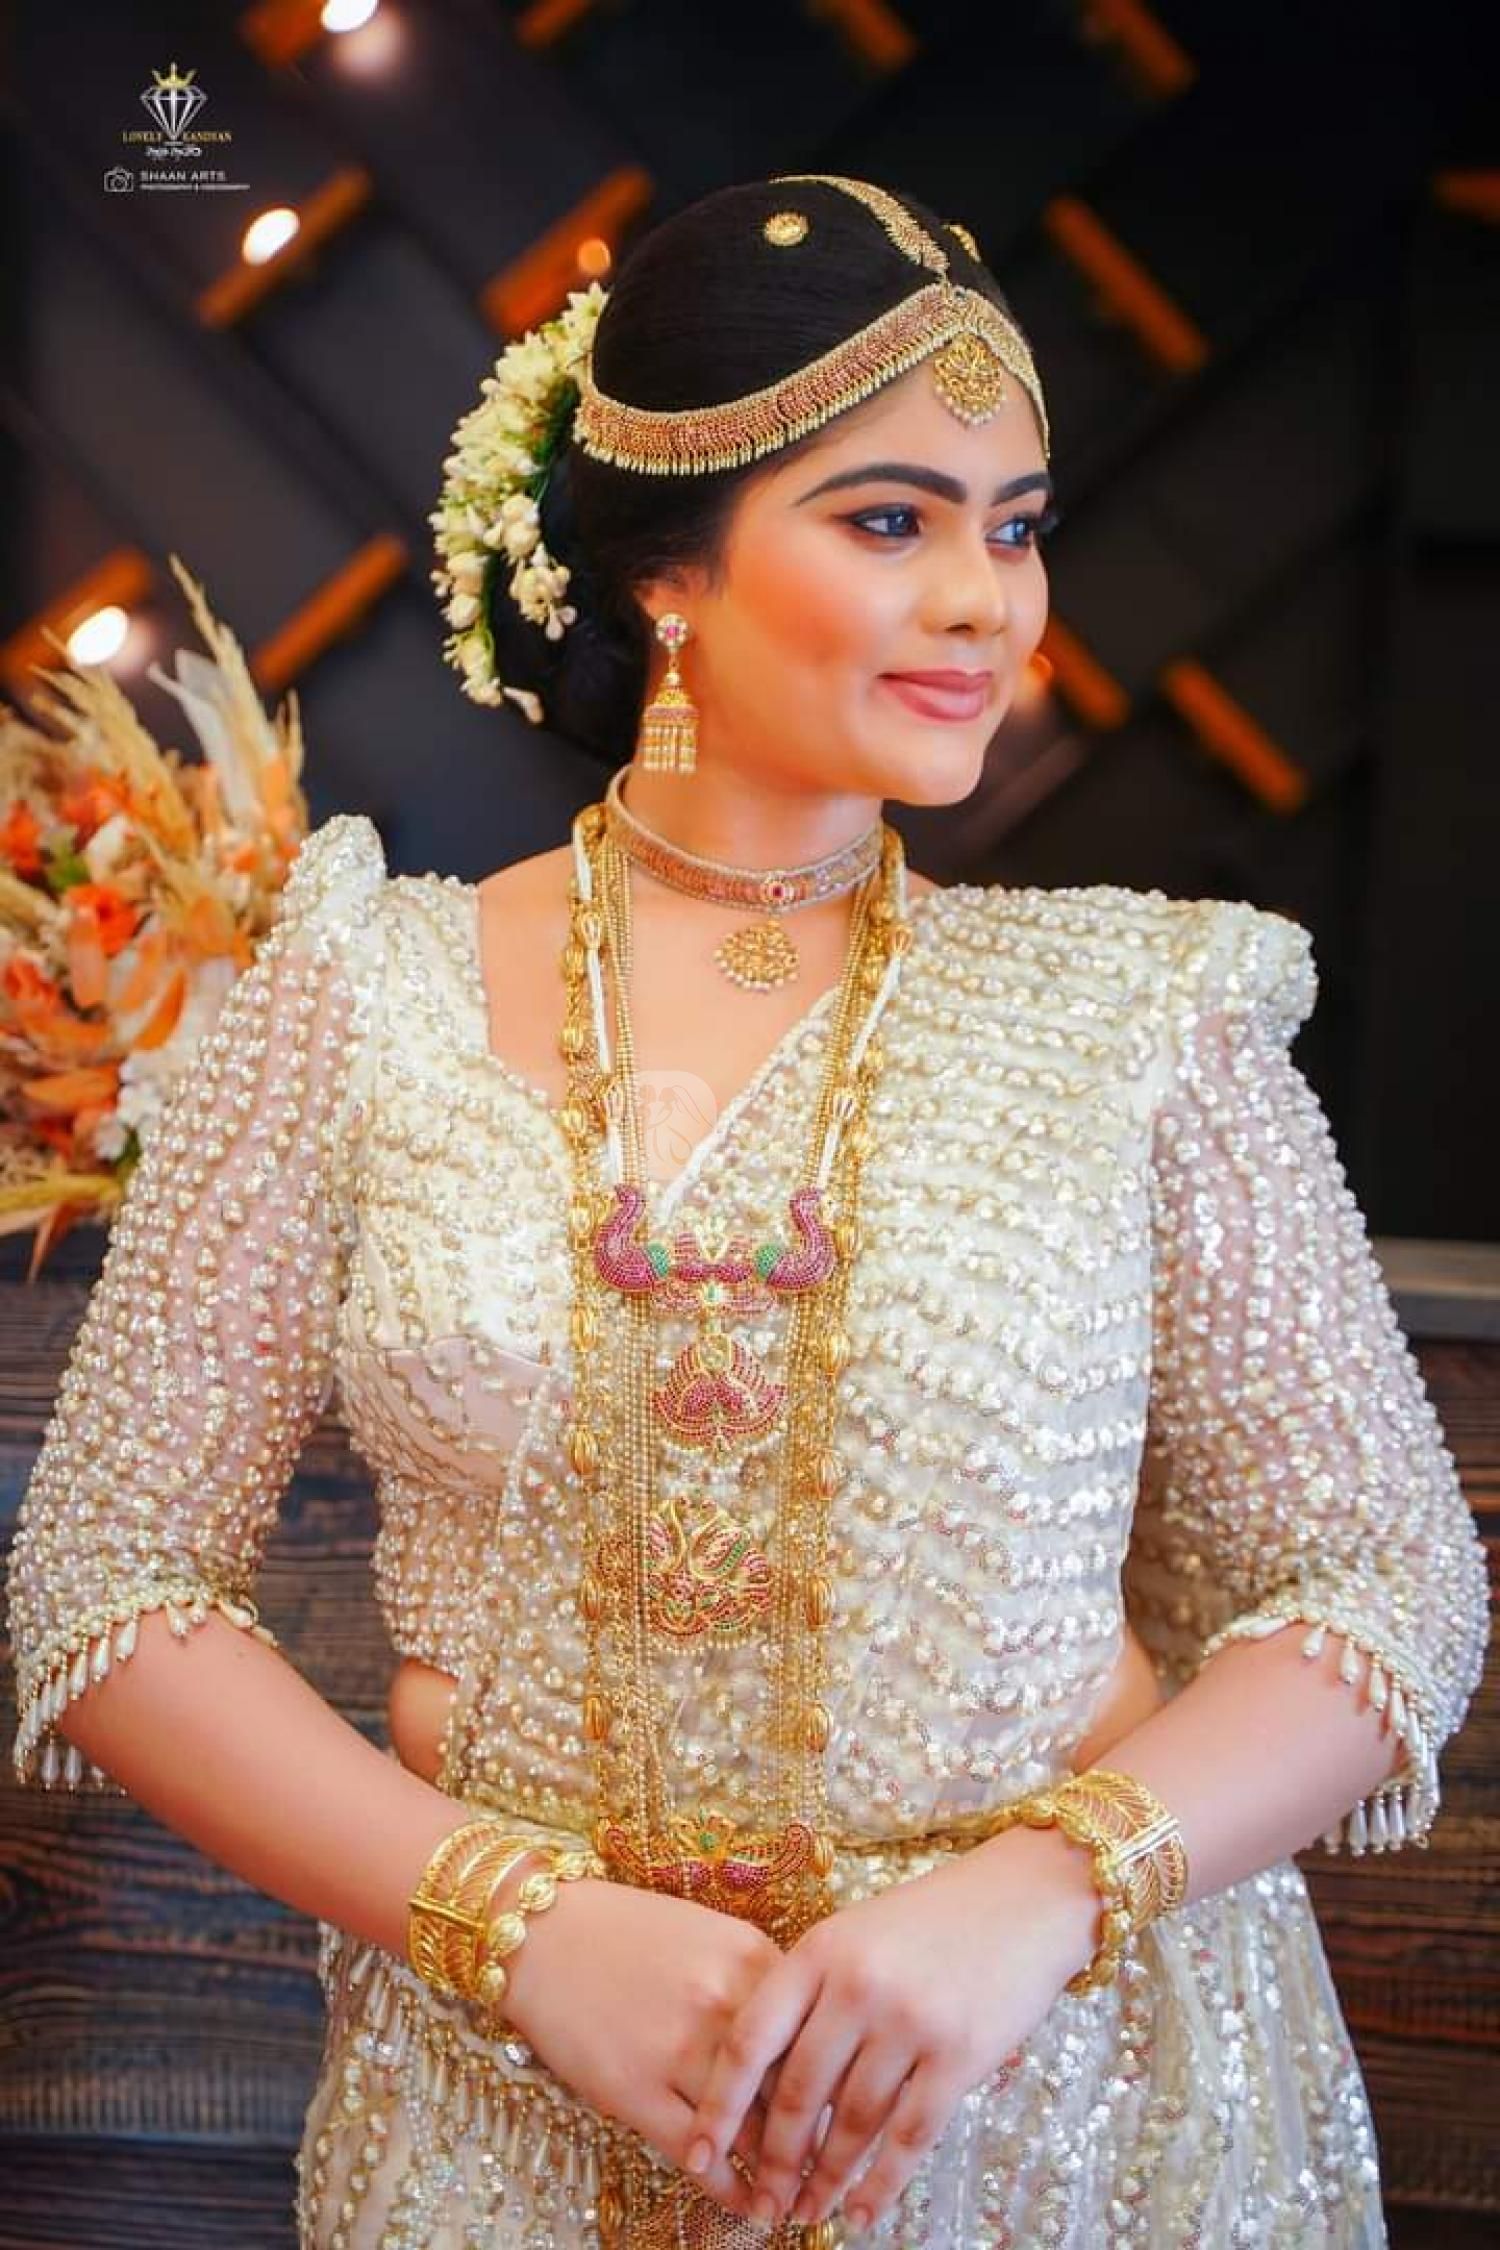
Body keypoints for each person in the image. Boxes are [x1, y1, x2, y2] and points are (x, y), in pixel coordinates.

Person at [5, 173, 1489, 2250]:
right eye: (890, 521)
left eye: (1015, 526)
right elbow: (106, 1572)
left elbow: (1384, 1580)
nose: (987, 601)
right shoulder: (361, 992)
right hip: (503, 2113)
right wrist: (514, 1926)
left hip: (1057, 2106)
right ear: (668, 571)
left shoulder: (1146, 1017)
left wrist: (1033, 1899)